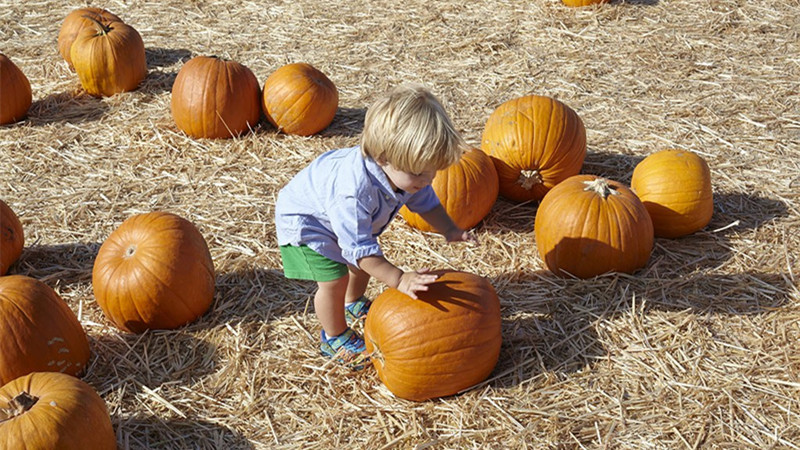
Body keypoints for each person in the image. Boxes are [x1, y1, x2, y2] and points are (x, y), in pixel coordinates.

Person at [275, 83, 477, 369]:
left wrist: (449, 229)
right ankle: (333, 337)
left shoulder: (407, 172)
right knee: (335, 279)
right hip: (306, 224)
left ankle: (353, 301)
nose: (427, 179)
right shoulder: (354, 192)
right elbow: (358, 250)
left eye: (432, 170)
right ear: (383, 158)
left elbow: (426, 203)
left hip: (333, 217)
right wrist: (399, 279)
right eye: (419, 173)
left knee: (363, 263)